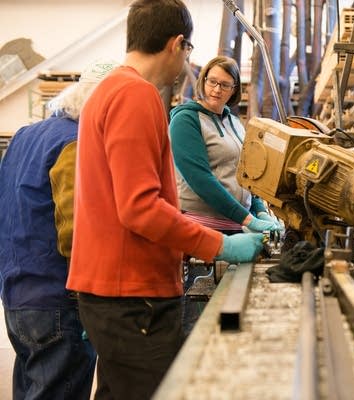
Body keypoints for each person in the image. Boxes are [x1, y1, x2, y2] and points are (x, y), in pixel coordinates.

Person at [65, 1, 264, 399]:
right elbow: (140, 208)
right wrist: (221, 244)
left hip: (114, 292)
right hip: (134, 297)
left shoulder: (106, 92)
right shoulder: (135, 96)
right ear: (177, 45)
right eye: (189, 51)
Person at [0, 59, 118, 400]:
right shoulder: (77, 144)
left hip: (17, 296)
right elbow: (77, 232)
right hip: (57, 301)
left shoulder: (25, 136)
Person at [168, 56, 282, 333]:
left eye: (225, 85)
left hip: (237, 233)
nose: (216, 89)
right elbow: (201, 180)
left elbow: (248, 173)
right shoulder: (186, 120)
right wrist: (248, 220)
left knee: (229, 321)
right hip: (201, 236)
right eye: (212, 81)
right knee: (197, 326)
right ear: (203, 81)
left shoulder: (235, 122)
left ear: (234, 91)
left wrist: (261, 210)